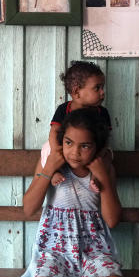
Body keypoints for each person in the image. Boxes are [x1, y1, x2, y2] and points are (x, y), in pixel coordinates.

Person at [21, 108, 125, 277]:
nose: (74, 152)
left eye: (84, 146)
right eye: (68, 143)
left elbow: (112, 220)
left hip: (92, 246)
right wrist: (48, 170)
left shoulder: (102, 170)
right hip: (55, 245)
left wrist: (103, 177)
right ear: (61, 141)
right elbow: (28, 208)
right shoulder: (51, 163)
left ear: (98, 148)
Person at [47, 61, 110, 189]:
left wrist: (99, 154)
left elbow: (106, 138)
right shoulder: (64, 109)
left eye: (102, 87)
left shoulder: (101, 112)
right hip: (65, 150)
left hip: (93, 151)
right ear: (76, 92)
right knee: (45, 150)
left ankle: (95, 177)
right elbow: (54, 132)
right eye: (97, 88)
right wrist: (56, 151)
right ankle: (54, 172)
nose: (102, 92)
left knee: (108, 155)